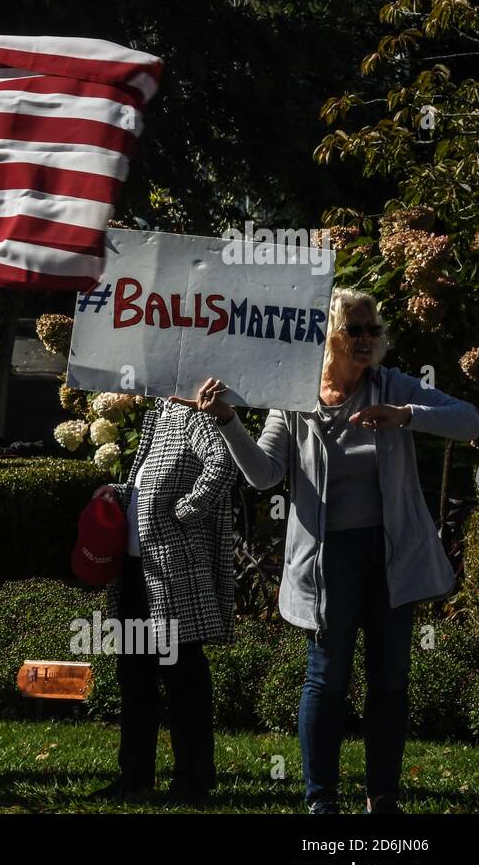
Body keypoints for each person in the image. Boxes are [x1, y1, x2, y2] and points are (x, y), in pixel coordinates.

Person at [194, 287, 479, 814]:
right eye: (356, 330)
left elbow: (471, 420)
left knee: (390, 678)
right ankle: (321, 799)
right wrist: (229, 423)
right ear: (330, 336)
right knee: (327, 677)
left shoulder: (390, 386)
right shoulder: (293, 395)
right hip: (328, 560)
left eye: (374, 330)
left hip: (391, 554)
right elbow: (264, 475)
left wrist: (406, 415)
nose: (368, 339)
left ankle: (383, 798)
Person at [92, 397, 237, 805]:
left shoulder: (192, 414)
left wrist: (187, 511)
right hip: (139, 571)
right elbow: (146, 488)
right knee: (135, 679)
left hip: (173, 572)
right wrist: (117, 493)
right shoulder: (160, 410)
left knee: (182, 679)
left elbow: (223, 465)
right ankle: (135, 777)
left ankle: (193, 781)